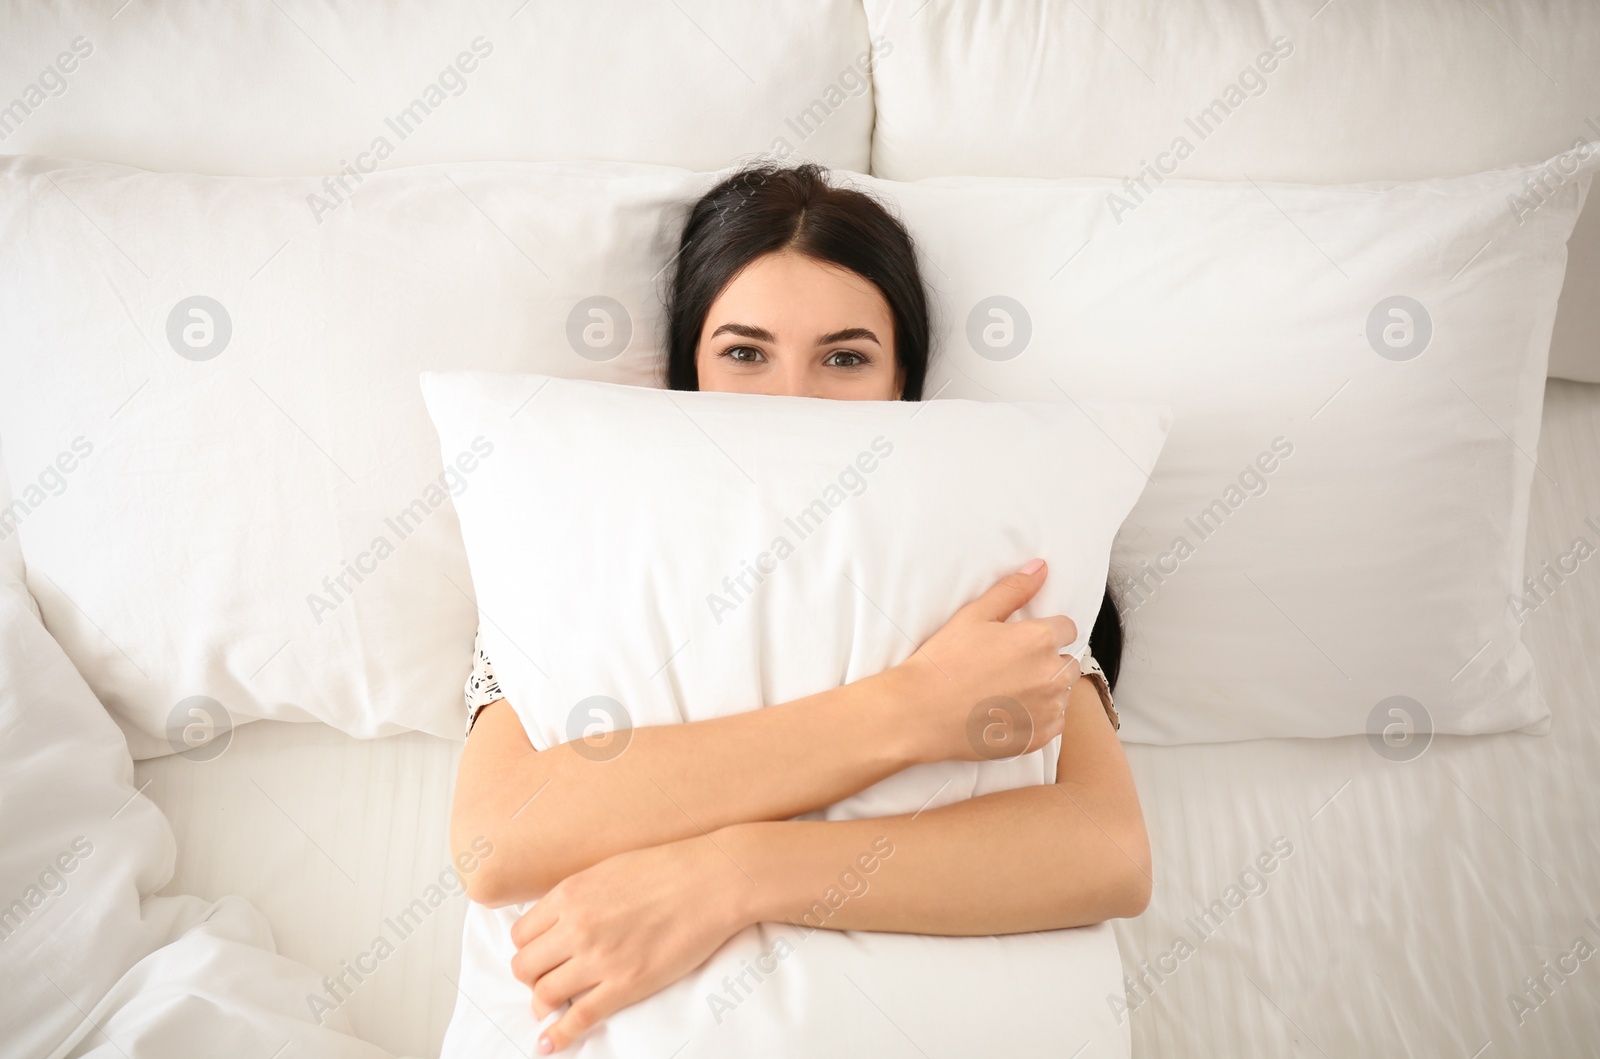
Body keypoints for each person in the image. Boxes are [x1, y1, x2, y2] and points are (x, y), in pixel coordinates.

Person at [448, 161, 1151, 1055]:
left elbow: (1108, 852)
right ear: (688, 371)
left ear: (902, 383)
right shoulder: (587, 547)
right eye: (745, 352)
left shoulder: (985, 553)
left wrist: (734, 872)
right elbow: (495, 843)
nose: (792, 400)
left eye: (844, 358)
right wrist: (904, 712)